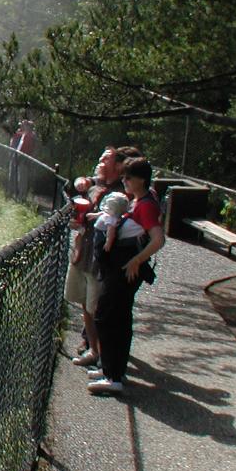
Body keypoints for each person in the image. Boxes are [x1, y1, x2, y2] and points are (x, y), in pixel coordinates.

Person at [88, 156, 165, 396]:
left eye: (128, 177)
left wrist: (136, 260)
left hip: (125, 270)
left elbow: (158, 239)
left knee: (109, 317)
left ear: (141, 179)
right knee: (115, 318)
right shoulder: (140, 200)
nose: (124, 181)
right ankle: (111, 369)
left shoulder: (146, 205)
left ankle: (113, 376)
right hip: (120, 268)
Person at [65, 145, 140, 367]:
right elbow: (82, 183)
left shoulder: (122, 192)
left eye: (105, 159)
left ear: (118, 166)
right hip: (84, 254)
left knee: (98, 308)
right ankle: (93, 348)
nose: (100, 161)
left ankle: (103, 356)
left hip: (101, 260)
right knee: (86, 305)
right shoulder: (96, 184)